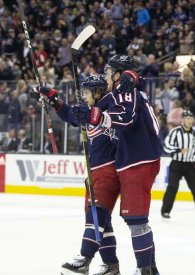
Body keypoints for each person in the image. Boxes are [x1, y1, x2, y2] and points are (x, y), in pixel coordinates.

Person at [68, 55, 161, 275]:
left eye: (110, 72)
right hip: (132, 161)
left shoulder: (126, 91)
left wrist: (98, 116)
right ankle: (149, 269)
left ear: (119, 74)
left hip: (139, 160)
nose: (106, 75)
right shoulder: (122, 91)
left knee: (136, 219)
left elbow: (126, 117)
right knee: (134, 219)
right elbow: (94, 110)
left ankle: (144, 270)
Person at [38, 75, 120, 275]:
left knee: (96, 216)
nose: (82, 96)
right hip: (95, 173)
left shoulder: (110, 110)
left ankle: (84, 258)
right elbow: (68, 114)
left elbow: (117, 130)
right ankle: (111, 266)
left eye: (86, 93)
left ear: (98, 92)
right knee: (103, 223)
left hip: (109, 172)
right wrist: (51, 96)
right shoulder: (88, 113)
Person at [161, 110, 195, 219]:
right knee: (172, 187)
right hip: (176, 163)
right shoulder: (175, 132)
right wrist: (178, 150)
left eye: (192, 118)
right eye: (188, 118)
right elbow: (166, 146)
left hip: (190, 165)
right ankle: (165, 211)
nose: (190, 121)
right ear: (183, 120)